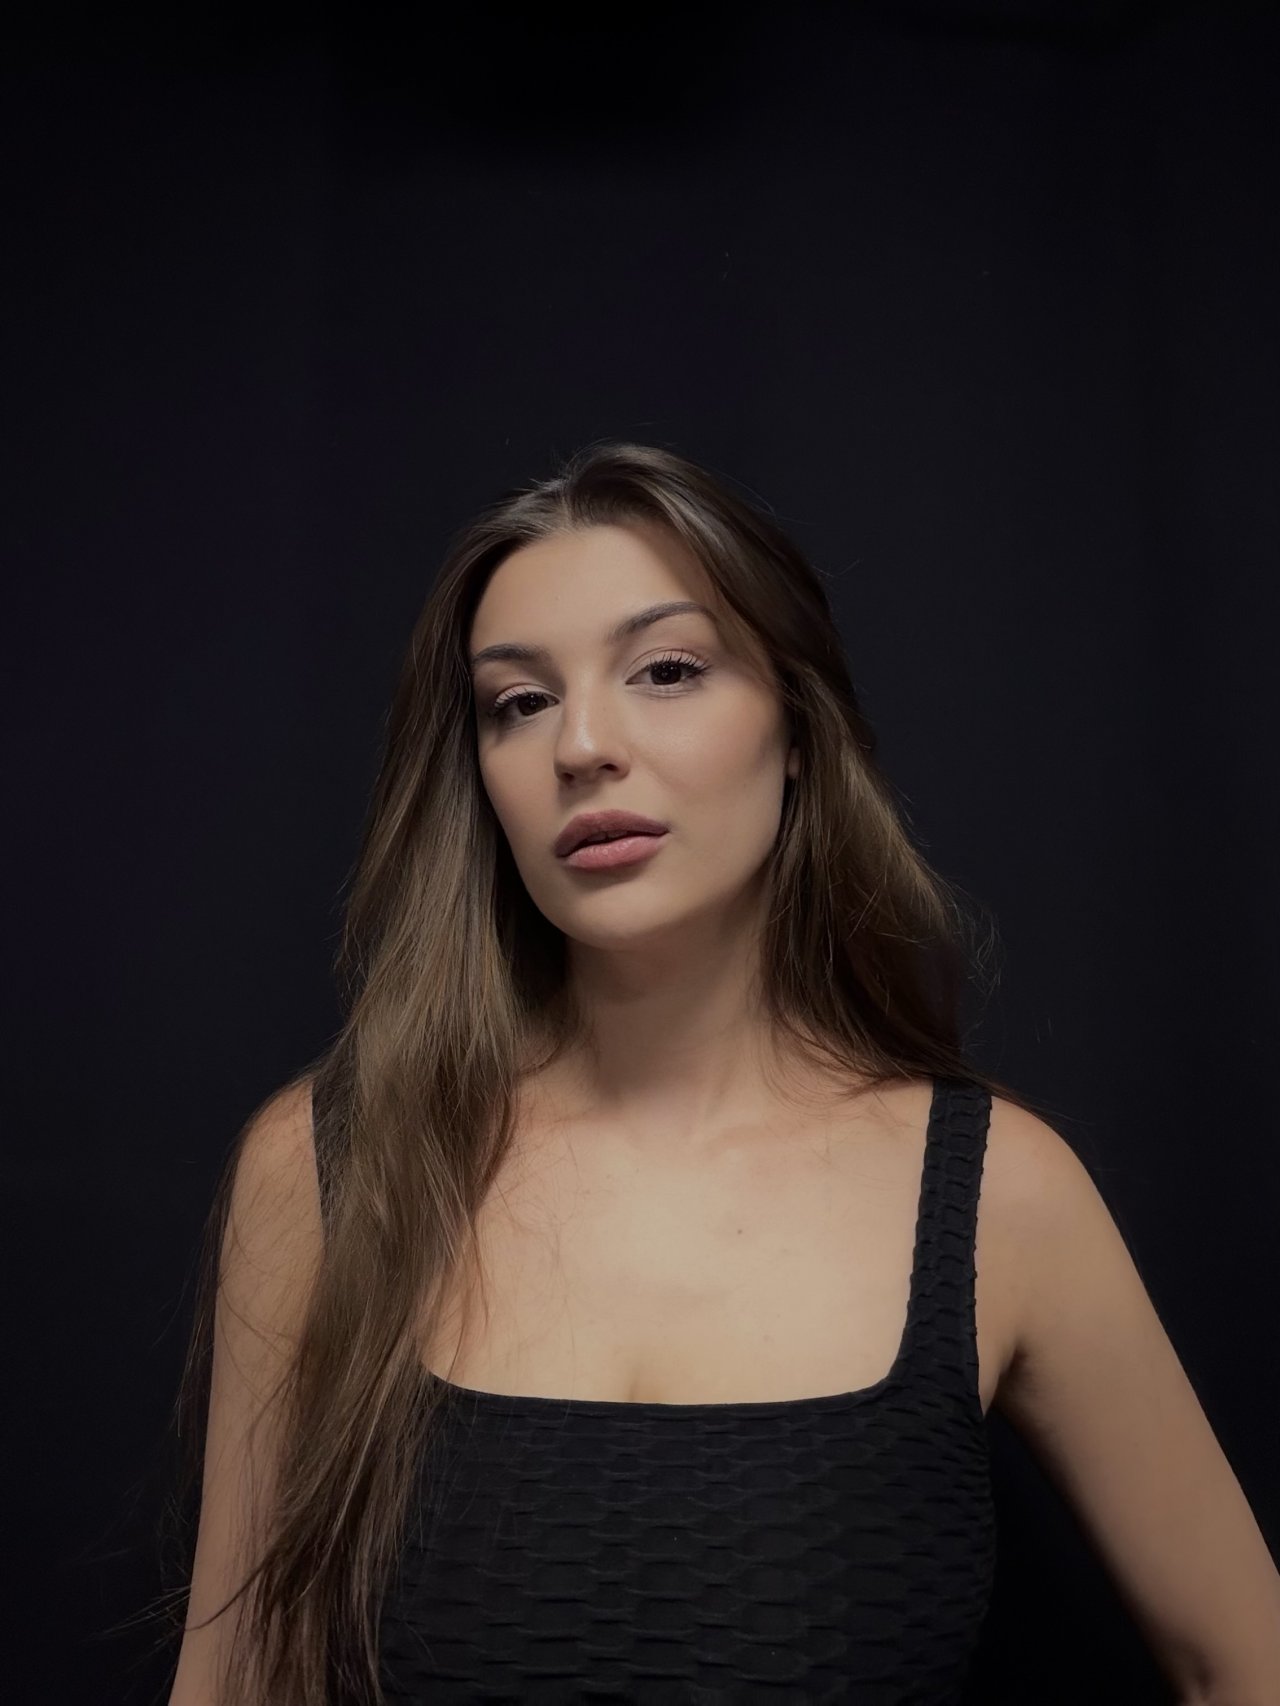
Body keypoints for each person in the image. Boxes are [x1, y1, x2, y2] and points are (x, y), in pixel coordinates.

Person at [165, 442, 1280, 1705]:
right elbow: (232, 1680)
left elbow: (1243, 1659)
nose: (582, 744)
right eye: (518, 701)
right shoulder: (330, 1168)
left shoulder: (997, 1197)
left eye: (666, 670)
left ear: (796, 727)